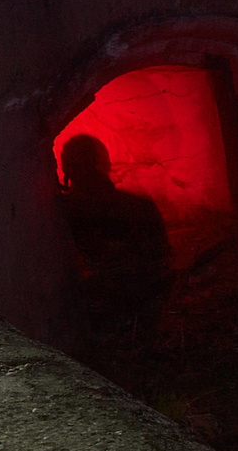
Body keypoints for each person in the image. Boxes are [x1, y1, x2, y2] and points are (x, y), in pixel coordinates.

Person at [60, 134, 171, 325]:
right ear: (106, 164)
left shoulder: (59, 216)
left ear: (66, 170)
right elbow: (161, 263)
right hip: (136, 308)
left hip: (109, 313)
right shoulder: (138, 207)